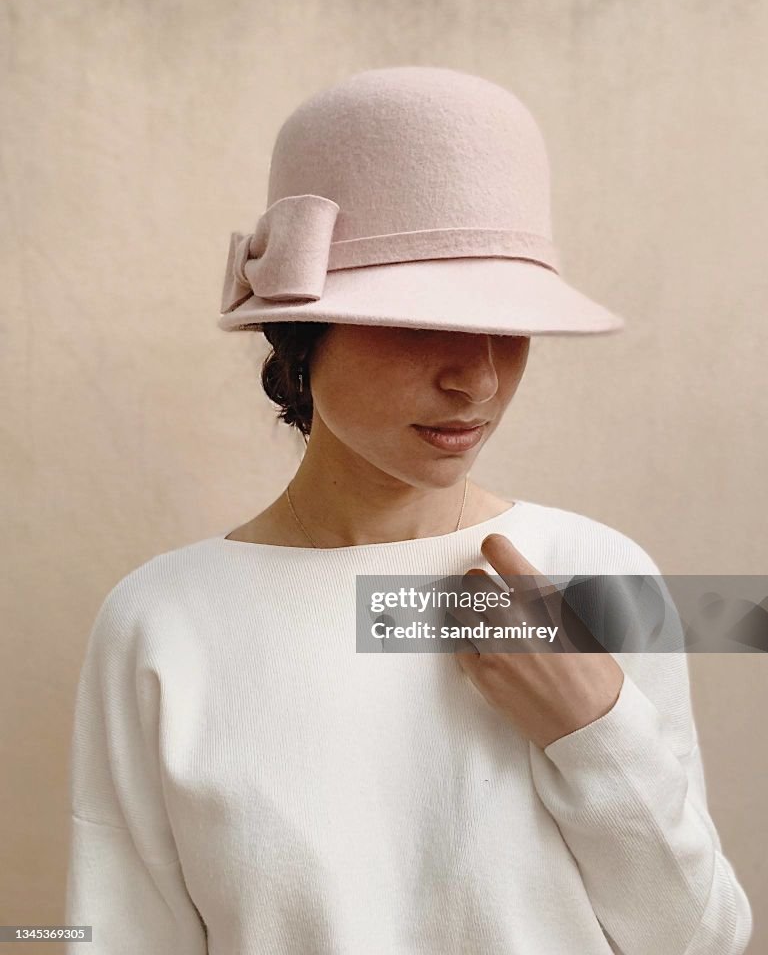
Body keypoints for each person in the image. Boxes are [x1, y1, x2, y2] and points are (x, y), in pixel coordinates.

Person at [65, 67, 753, 954]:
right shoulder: (161, 620)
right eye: (421, 323)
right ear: (301, 334)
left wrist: (596, 729)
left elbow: (704, 941)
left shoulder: (598, 573)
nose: (479, 378)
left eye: (508, 326)